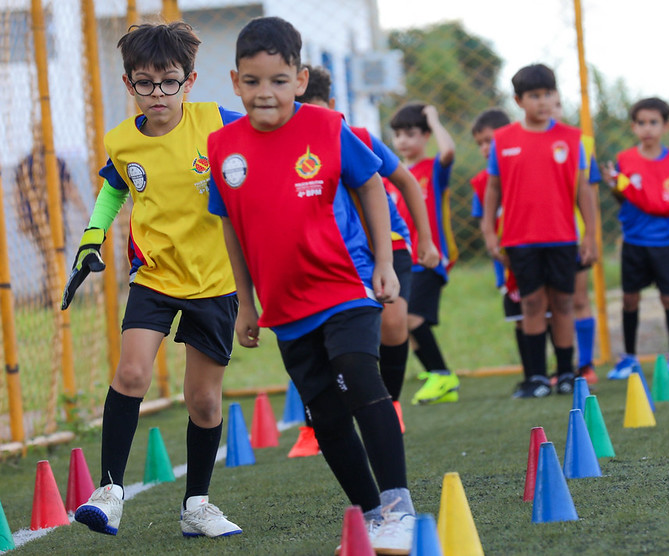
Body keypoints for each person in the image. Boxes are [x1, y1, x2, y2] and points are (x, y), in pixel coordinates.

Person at [207, 17, 416, 553]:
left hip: (344, 287)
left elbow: (370, 184)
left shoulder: (326, 128)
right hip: (284, 305)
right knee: (323, 413)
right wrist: (246, 304)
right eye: (252, 82)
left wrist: (385, 264)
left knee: (358, 376)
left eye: (278, 80)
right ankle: (372, 513)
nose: (265, 93)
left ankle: (399, 506)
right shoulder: (222, 148)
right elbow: (231, 227)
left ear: (299, 80)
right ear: (235, 82)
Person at [64, 22, 242, 538]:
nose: (157, 93)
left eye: (169, 82)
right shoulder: (122, 141)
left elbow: (265, 138)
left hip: (215, 281)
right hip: (155, 277)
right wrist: (91, 238)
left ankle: (197, 506)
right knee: (133, 374)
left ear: (189, 82)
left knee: (204, 401)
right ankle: (109, 491)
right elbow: (113, 189)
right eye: (145, 83)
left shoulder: (217, 124)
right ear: (128, 84)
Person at [288, 65, 438, 456]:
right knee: (316, 337)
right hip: (329, 253)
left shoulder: (358, 137)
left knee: (393, 323)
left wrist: (425, 238)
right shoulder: (286, 151)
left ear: (333, 107)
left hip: (388, 244)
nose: (312, 120)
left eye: (319, 109)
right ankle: (314, 425)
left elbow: (405, 181)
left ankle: (392, 404)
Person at [481, 64, 597, 398]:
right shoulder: (503, 141)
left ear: (557, 96)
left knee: (563, 303)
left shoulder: (572, 139)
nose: (543, 101)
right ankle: (534, 377)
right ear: (519, 100)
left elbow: (584, 190)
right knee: (531, 304)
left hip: (562, 236)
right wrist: (490, 232)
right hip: (519, 238)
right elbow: (492, 190)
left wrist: (589, 234)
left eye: (548, 94)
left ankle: (564, 374)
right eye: (534, 96)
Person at [601, 98, 669, 378]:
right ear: (633, 127)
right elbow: (622, 198)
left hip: (663, 242)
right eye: (641, 123)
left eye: (653, 122)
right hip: (634, 242)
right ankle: (629, 358)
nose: (647, 128)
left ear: (666, 125)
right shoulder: (625, 160)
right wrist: (615, 186)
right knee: (629, 299)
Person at [387, 102, 459, 405]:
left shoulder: (432, 169)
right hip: (401, 260)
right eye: (398, 134)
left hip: (429, 258)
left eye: (411, 133)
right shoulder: (391, 175)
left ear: (426, 135)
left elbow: (449, 152)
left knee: (414, 317)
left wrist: (433, 117)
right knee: (404, 321)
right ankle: (438, 377)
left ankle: (442, 374)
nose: (403, 140)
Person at [470, 108, 533, 390]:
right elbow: (484, 220)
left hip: (532, 255)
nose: (485, 148)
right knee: (519, 319)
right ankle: (532, 374)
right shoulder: (482, 183)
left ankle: (559, 372)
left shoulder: (526, 171)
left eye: (490, 141)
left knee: (547, 313)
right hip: (506, 266)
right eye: (480, 143)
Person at [552, 96, 600, 384]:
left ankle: (586, 364)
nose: (551, 109)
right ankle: (563, 367)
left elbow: (589, 193)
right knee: (553, 303)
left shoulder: (581, 143)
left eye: (557, 103)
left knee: (578, 298)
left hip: (574, 235)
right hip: (544, 238)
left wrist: (590, 236)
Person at [15, 148, 87, 302]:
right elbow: (18, 194)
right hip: (37, 220)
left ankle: (53, 293)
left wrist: (83, 212)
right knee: (50, 257)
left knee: (53, 258)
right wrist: (21, 217)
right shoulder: (26, 164)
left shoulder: (56, 162)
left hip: (56, 218)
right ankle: (52, 294)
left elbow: (69, 188)